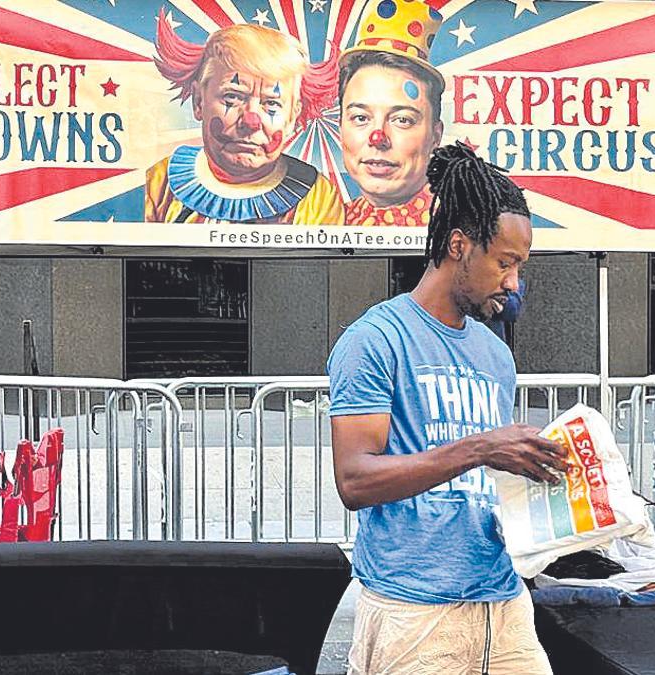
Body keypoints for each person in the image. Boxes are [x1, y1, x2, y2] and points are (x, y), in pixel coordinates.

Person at [327, 142, 564, 674]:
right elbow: (355, 481)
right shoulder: (374, 339)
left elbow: (487, 477)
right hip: (413, 609)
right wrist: (481, 448)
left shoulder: (494, 352)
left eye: (519, 267)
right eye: (505, 263)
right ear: (459, 245)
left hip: (503, 599)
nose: (513, 283)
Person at [147, 14, 344, 224]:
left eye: (272, 104)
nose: (251, 122)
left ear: (292, 118)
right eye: (232, 97)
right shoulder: (160, 182)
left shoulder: (318, 197)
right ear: (198, 102)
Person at [338, 0, 444, 227]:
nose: (378, 138)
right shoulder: (334, 220)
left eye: (402, 120)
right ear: (340, 127)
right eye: (360, 118)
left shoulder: (460, 225)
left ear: (435, 136)